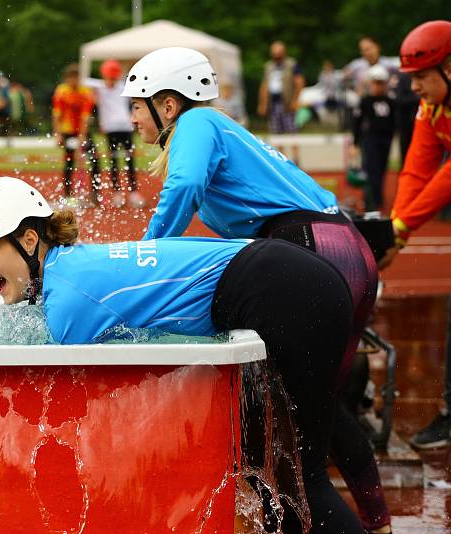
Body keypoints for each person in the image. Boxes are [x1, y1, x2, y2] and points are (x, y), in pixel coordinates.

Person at [0, 176, 359, 533]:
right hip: (290, 278)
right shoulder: (68, 269)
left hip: (288, 289)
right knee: (266, 464)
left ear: (28, 240)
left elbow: (65, 403)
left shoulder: (68, 302)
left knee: (300, 476)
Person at [121, 47, 391, 533]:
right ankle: (378, 521)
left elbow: (182, 188)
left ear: (167, 105)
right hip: (340, 244)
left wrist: (145, 260)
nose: (132, 117)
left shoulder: (196, 124)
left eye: (137, 104)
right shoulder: (224, 129)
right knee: (322, 406)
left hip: (310, 246)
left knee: (296, 427)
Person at [378, 21, 451, 449]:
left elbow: (445, 178)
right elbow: (416, 169)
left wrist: (402, 228)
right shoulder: (431, 109)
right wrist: (394, 234)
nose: (415, 87)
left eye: (422, 77)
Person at [85, 59, 144, 208]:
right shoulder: (98, 86)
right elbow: (82, 80)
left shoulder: (123, 87)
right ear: (104, 75)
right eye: (109, 76)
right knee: (114, 162)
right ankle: (117, 193)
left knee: (130, 161)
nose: (111, 80)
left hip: (126, 127)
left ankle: (133, 193)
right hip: (110, 129)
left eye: (114, 76)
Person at [52, 63, 100, 206]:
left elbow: (86, 116)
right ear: (66, 79)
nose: (73, 81)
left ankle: (95, 193)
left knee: (94, 161)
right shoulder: (61, 91)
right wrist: (58, 134)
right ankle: (67, 194)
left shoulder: (85, 92)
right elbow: (56, 115)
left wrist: (82, 137)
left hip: (83, 132)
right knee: (69, 162)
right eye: (70, 78)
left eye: (76, 78)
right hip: (67, 132)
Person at [350, 65, 395, 212]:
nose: (378, 86)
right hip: (370, 139)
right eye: (375, 82)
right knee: (371, 170)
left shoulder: (390, 101)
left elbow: (395, 122)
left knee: (382, 170)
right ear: (370, 83)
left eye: (381, 83)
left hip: (386, 139)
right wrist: (356, 143)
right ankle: (372, 202)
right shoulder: (365, 101)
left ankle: (378, 198)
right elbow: (357, 123)